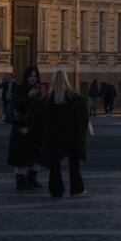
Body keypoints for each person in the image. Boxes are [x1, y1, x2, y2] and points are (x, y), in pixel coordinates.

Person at [30, 69, 89, 198]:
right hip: (72, 137)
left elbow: (37, 120)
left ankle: (56, 190)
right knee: (74, 164)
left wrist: (39, 137)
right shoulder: (75, 98)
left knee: (54, 165)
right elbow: (84, 117)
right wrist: (81, 132)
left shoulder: (48, 99)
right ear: (66, 80)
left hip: (53, 138)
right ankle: (77, 189)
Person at [7, 66, 45, 192]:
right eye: (31, 76)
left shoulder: (38, 91)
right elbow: (18, 106)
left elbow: (39, 111)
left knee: (37, 156)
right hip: (21, 127)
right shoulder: (20, 89)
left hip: (34, 128)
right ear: (26, 77)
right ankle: (20, 181)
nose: (33, 78)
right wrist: (28, 96)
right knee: (21, 157)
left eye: (35, 76)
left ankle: (32, 179)